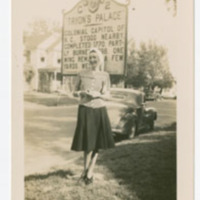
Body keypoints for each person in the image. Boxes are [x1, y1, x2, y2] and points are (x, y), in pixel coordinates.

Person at [71, 48, 115, 185]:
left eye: (95, 57)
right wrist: (81, 93)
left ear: (99, 59)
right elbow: (74, 92)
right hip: (85, 109)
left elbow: (108, 95)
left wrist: (98, 94)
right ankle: (85, 171)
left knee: (97, 143)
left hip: (99, 109)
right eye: (90, 57)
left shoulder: (105, 75)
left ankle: (90, 171)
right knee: (87, 143)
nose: (92, 60)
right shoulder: (81, 74)